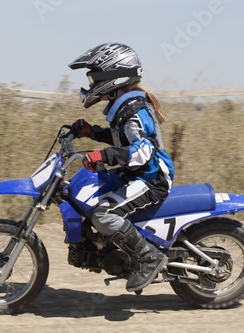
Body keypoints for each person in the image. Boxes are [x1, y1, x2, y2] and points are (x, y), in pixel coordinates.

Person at [68, 42, 175, 292]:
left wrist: (102, 156)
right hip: (135, 173)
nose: (93, 84)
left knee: (103, 214)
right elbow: (122, 140)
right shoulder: (125, 107)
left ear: (113, 76)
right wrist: (91, 132)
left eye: (95, 78)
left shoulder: (133, 110)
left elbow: (142, 152)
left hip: (152, 178)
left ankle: (150, 257)